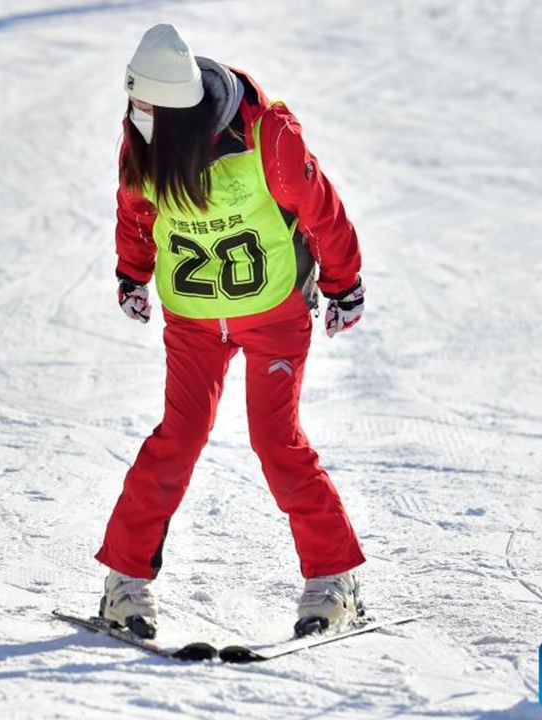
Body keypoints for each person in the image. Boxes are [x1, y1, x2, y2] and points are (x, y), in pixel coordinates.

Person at [95, 24, 367, 639]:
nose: (133, 115)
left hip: (273, 313)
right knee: (177, 440)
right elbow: (135, 214)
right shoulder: (142, 141)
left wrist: (344, 283)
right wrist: (131, 275)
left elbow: (321, 207)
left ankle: (334, 577)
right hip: (193, 321)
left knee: (277, 441)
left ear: (179, 106)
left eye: (144, 106)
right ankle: (125, 581)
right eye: (131, 102)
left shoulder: (264, 135)